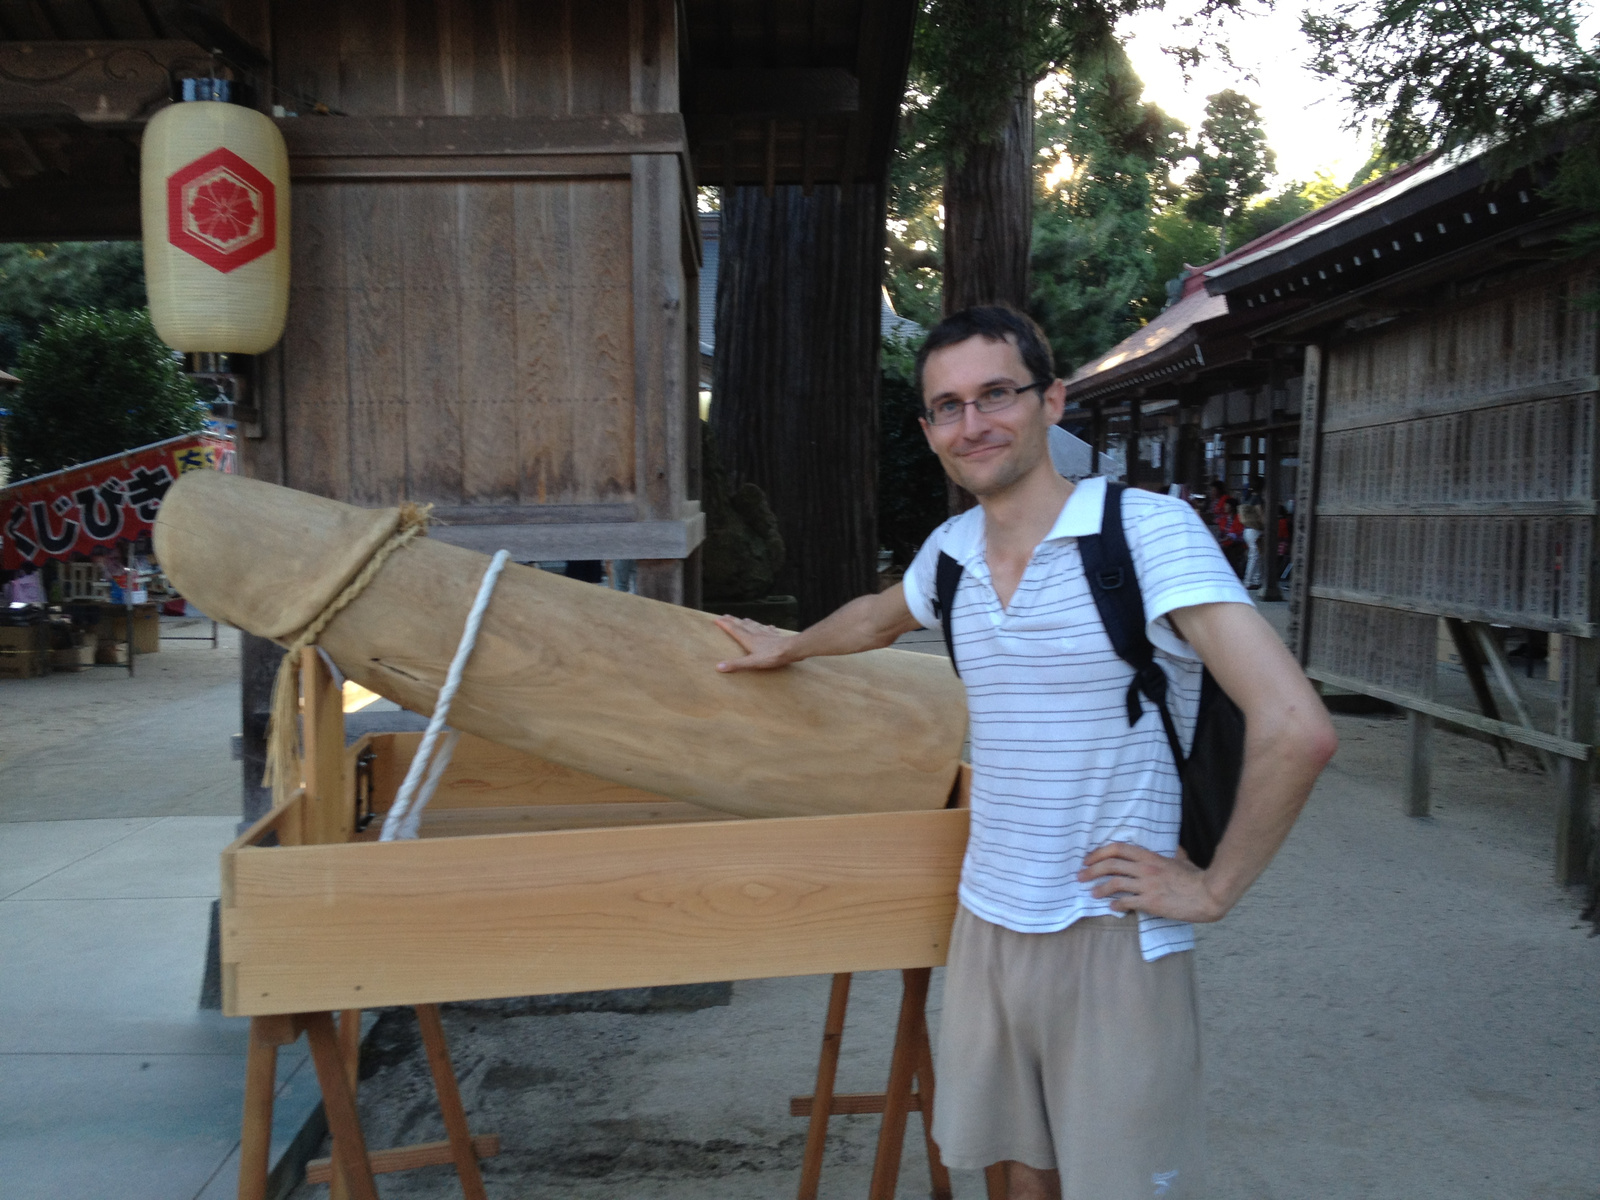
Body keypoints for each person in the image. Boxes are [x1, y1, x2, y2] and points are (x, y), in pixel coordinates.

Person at [712, 305, 1335, 1200]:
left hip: (1113, 933)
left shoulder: (1145, 534)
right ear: (929, 430)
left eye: (997, 394)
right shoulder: (952, 553)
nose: (975, 424)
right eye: (949, 406)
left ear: (1052, 401)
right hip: (988, 922)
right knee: (1011, 1178)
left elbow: (1297, 726)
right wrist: (791, 647)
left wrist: (1212, 886)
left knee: (1117, 1186)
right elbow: (880, 615)